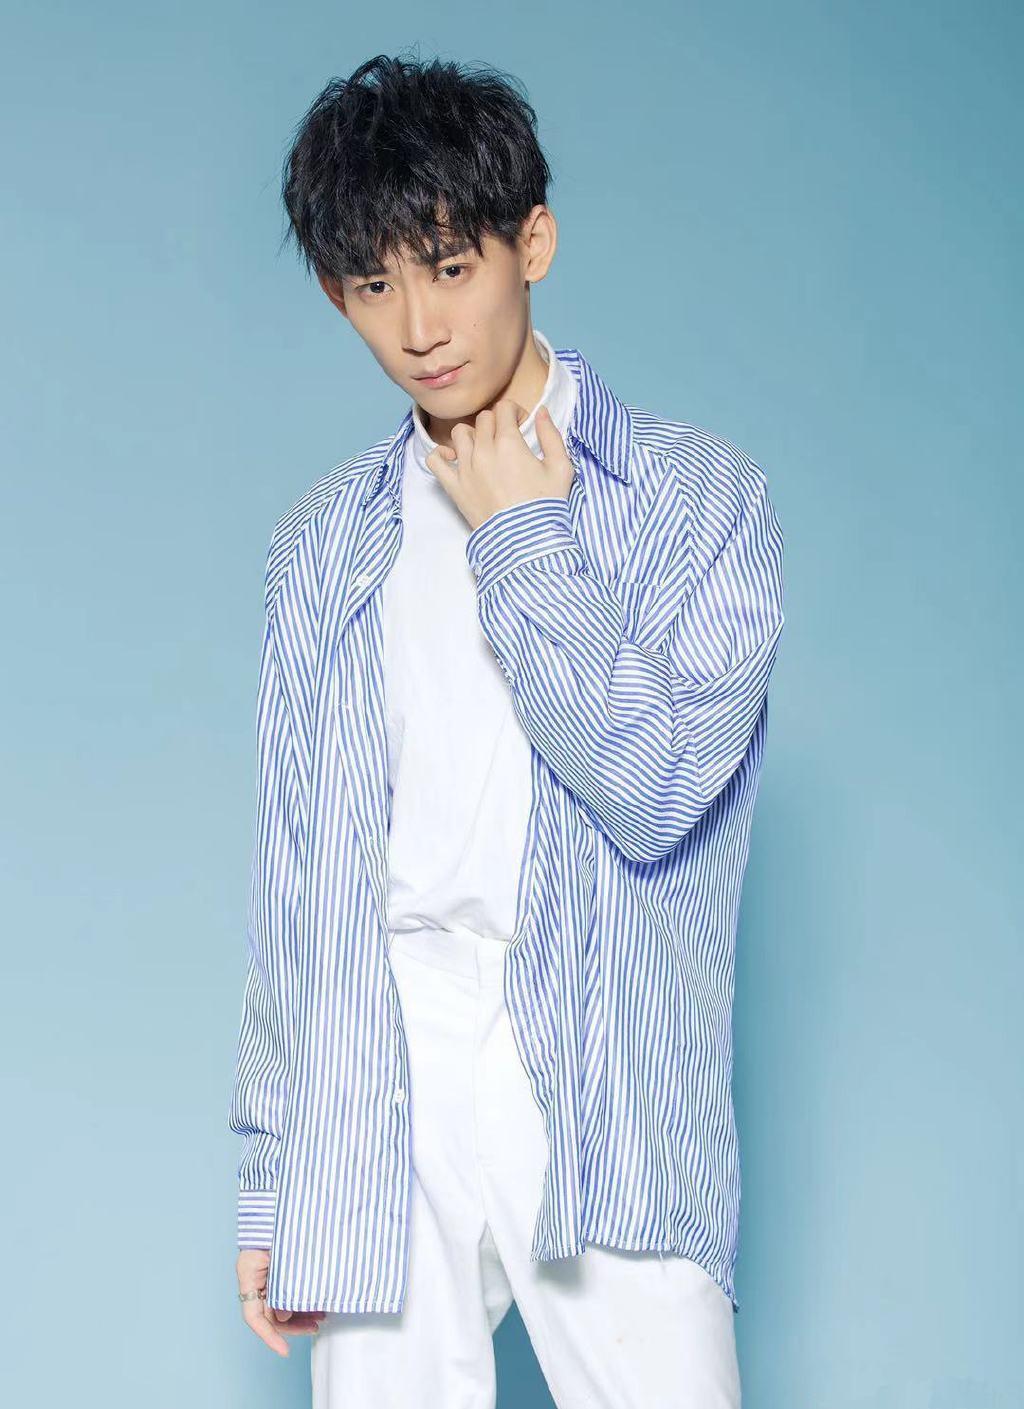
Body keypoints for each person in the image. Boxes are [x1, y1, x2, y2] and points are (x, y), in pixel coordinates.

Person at [227, 51, 785, 1409]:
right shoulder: (322, 546)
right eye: (374, 285)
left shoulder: (695, 500)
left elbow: (656, 792)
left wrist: (524, 540)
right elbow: (296, 884)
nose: (420, 324)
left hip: (600, 1064)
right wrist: (277, 1175)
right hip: (383, 1072)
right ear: (337, 295)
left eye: (448, 266)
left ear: (531, 243)